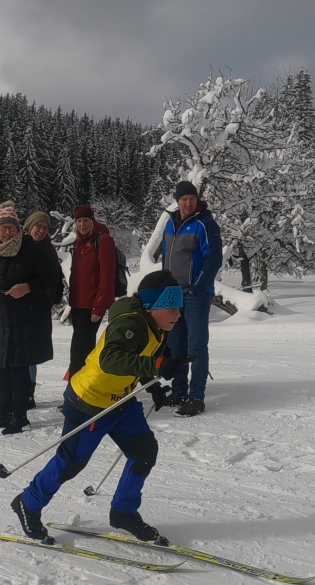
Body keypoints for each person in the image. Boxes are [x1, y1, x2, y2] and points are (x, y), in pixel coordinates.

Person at [11, 270, 193, 545]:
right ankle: (28, 502)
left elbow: (138, 358)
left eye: (178, 307)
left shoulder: (156, 325)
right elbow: (111, 360)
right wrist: (157, 366)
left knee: (144, 450)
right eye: (171, 307)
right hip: (89, 401)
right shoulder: (131, 323)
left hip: (120, 400)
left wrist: (153, 386)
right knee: (71, 462)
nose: (177, 314)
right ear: (152, 306)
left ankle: (123, 512)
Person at [0, 201, 62, 435]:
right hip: (1, 316)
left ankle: (19, 417)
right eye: (3, 228)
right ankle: (3, 414)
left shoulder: (31, 249)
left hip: (26, 315)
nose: (8, 232)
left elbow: (51, 280)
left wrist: (28, 287)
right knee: (0, 365)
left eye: (12, 228)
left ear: (18, 228)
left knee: (18, 366)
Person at [158, 180, 223, 417]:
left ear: (197, 201)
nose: (188, 203)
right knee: (175, 346)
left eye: (192, 199)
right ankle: (178, 391)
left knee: (196, 346)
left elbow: (213, 259)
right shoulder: (170, 223)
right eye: (184, 199)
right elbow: (166, 257)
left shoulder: (205, 223)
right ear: (177, 201)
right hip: (173, 295)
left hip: (195, 295)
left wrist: (197, 287)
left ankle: (196, 397)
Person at [67, 204, 117, 379]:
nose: (82, 224)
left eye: (86, 220)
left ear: (93, 221)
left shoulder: (103, 240)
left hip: (91, 307)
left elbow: (107, 276)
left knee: (81, 352)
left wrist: (99, 306)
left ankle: (76, 396)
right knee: (79, 351)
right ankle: (78, 393)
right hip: (78, 305)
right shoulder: (79, 243)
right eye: (79, 221)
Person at [23, 210, 64, 409]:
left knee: (31, 353)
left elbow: (56, 280)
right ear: (30, 226)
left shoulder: (48, 250)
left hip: (38, 309)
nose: (41, 231)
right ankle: (17, 391)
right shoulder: (18, 245)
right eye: (38, 226)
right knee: (16, 351)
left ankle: (28, 393)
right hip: (18, 307)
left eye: (45, 228)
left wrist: (49, 301)